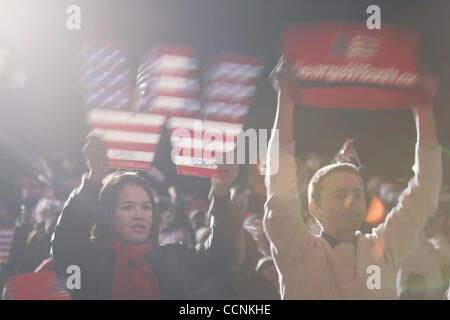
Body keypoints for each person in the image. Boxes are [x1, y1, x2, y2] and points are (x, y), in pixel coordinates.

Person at [263, 56, 443, 299]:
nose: (353, 201)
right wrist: (285, 100)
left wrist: (423, 110)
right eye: (340, 194)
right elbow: (280, 184)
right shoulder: (297, 250)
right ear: (315, 208)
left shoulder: (382, 248)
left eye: (358, 193)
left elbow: (425, 189)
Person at [51, 135, 246, 300]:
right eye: (128, 207)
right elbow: (66, 242)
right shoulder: (88, 261)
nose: (139, 215)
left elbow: (222, 257)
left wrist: (220, 192)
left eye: (146, 207)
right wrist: (94, 179)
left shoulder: (172, 260)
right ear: (107, 213)